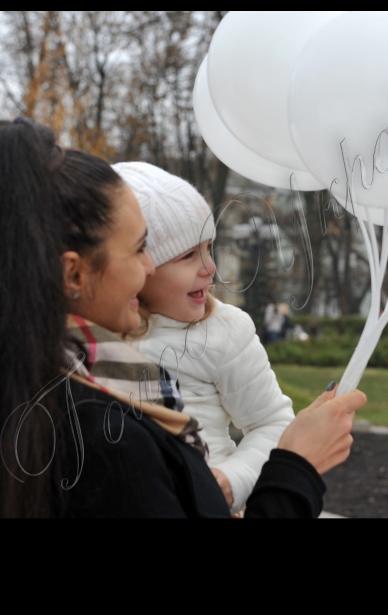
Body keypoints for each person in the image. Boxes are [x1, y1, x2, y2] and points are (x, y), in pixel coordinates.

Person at [0, 119, 366, 519]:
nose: (147, 269)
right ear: (73, 272)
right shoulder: (103, 433)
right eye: (140, 249)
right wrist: (295, 467)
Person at [112, 163, 295, 513]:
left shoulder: (224, 329)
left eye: (209, 248)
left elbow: (271, 422)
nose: (210, 268)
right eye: (187, 256)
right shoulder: (99, 333)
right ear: (140, 266)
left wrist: (232, 479)